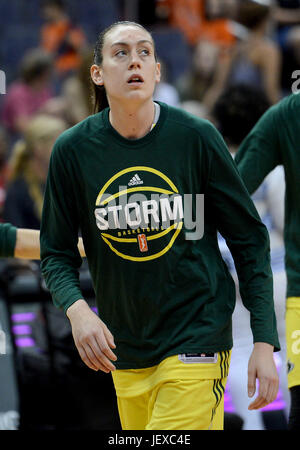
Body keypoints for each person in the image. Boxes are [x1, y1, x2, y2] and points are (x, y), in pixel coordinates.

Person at [40, 21, 280, 431]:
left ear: (157, 71)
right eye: (121, 52)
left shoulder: (196, 138)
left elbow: (249, 237)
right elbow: (56, 254)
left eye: (145, 52)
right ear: (97, 73)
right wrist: (78, 311)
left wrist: (263, 339)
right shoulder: (72, 151)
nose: (134, 60)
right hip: (127, 349)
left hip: (197, 337)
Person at [213, 84, 289, 429]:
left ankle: (252, 424)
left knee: (242, 350)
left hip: (228, 274)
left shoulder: (209, 168)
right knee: (288, 352)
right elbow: (288, 224)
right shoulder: (273, 169)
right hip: (273, 271)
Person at [235, 92, 300, 430]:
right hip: (281, 280)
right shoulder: (287, 116)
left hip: (263, 278)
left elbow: (226, 197)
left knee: (244, 352)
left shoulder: (286, 114)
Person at [203, 0, 282, 112]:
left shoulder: (231, 48)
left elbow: (217, 88)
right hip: (255, 117)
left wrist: (205, 117)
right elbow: (271, 93)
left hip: (232, 113)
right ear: (265, 20)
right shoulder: (269, 51)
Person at [3, 115, 67, 229]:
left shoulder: (64, 182)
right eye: (59, 144)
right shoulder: (17, 192)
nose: (66, 150)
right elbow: (17, 241)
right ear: (38, 148)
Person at [40, 0, 87, 79]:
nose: (45, 12)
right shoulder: (47, 29)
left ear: (57, 8)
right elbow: (45, 53)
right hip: (55, 72)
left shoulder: (71, 27)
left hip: (71, 71)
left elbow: (83, 50)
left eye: (48, 8)